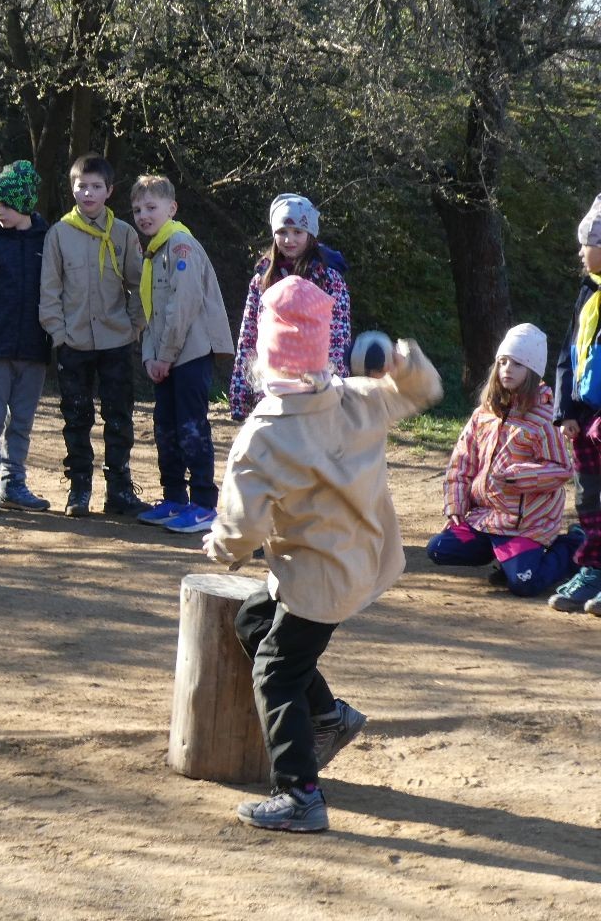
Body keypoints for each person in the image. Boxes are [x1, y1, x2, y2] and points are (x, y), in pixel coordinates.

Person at [204, 275, 443, 833]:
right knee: (254, 621)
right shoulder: (359, 399)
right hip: (361, 561)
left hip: (316, 579)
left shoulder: (262, 435)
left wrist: (220, 548)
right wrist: (403, 364)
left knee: (276, 672)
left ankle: (299, 794)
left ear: (263, 357)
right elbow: (423, 391)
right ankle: (330, 716)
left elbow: (242, 527)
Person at [427, 324, 580, 596]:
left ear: (532, 371)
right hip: (486, 520)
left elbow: (562, 470)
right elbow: (461, 463)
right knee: (439, 549)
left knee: (524, 583)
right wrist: (456, 505)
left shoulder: (545, 418)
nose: (508, 369)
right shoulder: (483, 414)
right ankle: (505, 558)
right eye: (503, 362)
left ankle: (573, 546)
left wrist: (517, 475)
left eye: (518, 364)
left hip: (526, 525)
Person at [39, 153, 148, 517]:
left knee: (119, 417)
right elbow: (50, 290)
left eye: (96, 187)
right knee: (76, 417)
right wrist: (58, 334)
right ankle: (79, 489)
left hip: (116, 342)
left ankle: (119, 490)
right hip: (74, 343)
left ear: (109, 191)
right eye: (81, 186)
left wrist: (133, 327)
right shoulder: (59, 234)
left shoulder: (123, 233)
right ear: (71, 188)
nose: (88, 193)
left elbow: (138, 284)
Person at [127, 174, 235, 535]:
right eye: (137, 210)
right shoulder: (154, 251)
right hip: (164, 358)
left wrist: (165, 355)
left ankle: (203, 505)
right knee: (166, 428)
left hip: (189, 355)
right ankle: (174, 498)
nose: (143, 215)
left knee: (191, 427)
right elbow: (150, 311)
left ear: (171, 208)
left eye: (151, 207)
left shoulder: (180, 245)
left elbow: (181, 307)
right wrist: (150, 356)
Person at [0, 160, 53, 514]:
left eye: (7, 204)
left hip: (34, 349)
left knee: (22, 421)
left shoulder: (49, 244)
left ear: (26, 204)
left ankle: (13, 481)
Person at [226, 193, 352, 421]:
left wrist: (334, 387)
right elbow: (249, 334)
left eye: (297, 232)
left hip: (314, 389)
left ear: (311, 235)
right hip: (270, 388)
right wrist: (240, 393)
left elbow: (338, 336)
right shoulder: (263, 278)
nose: (289, 239)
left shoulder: (328, 278)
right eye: (282, 232)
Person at [550, 193, 601, 612]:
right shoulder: (588, 293)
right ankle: (594, 569)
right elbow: (570, 353)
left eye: (587, 244)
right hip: (585, 416)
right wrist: (566, 411)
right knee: (589, 498)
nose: (581, 253)